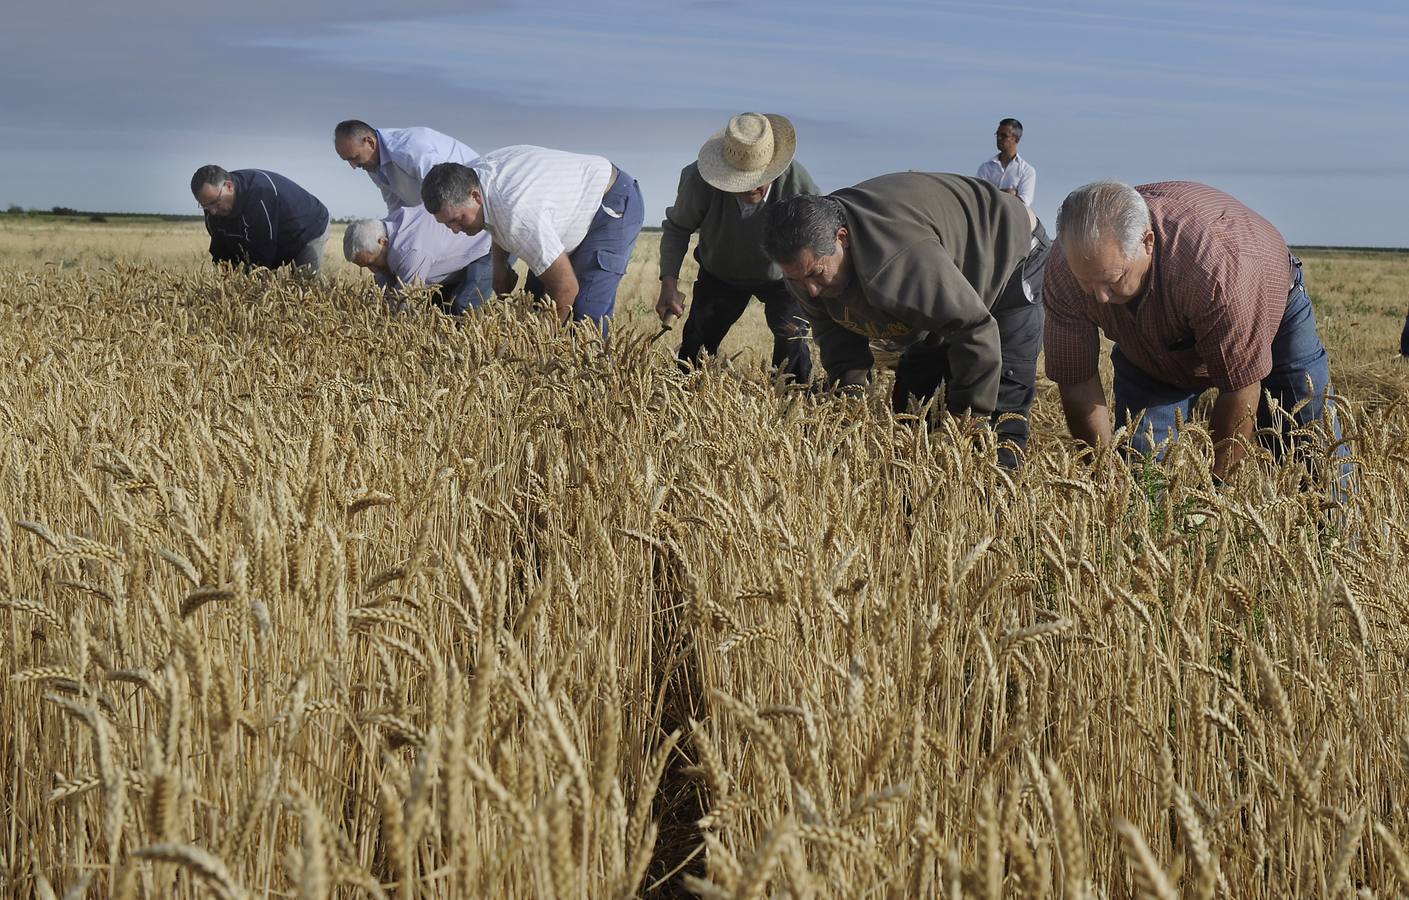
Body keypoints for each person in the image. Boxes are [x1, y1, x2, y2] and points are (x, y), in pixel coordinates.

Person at [1043, 180, 1344, 481]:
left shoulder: (1213, 264)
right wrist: (1104, 476)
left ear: (1147, 243)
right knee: (1143, 470)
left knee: (1309, 439)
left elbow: (1240, 387)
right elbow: (1076, 380)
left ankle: (1338, 524)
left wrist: (1212, 491)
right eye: (1087, 283)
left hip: (1270, 308)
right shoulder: (1066, 267)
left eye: (1113, 279)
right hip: (1150, 346)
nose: (1100, 297)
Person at [763, 174, 1051, 469]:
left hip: (1009, 253)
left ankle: (992, 500)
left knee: (995, 423)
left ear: (842, 238)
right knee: (913, 416)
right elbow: (837, 339)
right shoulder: (806, 268)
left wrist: (967, 425)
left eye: (815, 274)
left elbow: (974, 329)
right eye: (796, 279)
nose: (810, 290)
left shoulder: (898, 261)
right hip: (942, 272)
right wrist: (848, 404)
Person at [658, 113, 816, 381]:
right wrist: (669, 285)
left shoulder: (796, 182)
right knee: (692, 355)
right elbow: (678, 228)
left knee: (794, 345)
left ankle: (793, 411)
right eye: (741, 180)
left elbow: (816, 235)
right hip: (720, 274)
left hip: (783, 279)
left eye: (758, 179)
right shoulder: (698, 179)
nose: (751, 187)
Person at [420, 146, 645, 331]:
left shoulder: (517, 214)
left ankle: (597, 381)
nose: (455, 229)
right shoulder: (473, 178)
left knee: (586, 319)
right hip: (564, 210)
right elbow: (494, 217)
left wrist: (540, 346)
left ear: (475, 196)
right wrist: (499, 266)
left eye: (457, 220)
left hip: (610, 202)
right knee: (536, 303)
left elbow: (566, 287)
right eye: (447, 223)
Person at [343, 206, 493, 314]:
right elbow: (387, 291)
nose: (373, 270)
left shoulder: (409, 250)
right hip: (460, 253)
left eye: (371, 263)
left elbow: (406, 302)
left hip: (489, 246)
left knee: (462, 308)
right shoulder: (382, 230)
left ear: (383, 242)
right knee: (436, 309)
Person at [191, 165, 329, 275]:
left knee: (303, 285)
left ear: (229, 186)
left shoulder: (259, 194)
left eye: (215, 202)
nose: (212, 211)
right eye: (205, 206)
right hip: (272, 238)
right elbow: (221, 249)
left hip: (307, 228)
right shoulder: (212, 205)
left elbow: (262, 253)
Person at [334, 120, 480, 213]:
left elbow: (441, 191)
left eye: (354, 158)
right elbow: (396, 206)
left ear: (370, 142)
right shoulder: (372, 164)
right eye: (347, 160)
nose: (354, 166)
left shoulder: (408, 150)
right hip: (451, 212)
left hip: (474, 202)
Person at [976, 118, 1036, 207]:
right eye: (997, 134)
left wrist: (992, 192)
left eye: (1004, 135)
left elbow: (1024, 203)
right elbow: (978, 195)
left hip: (1013, 219)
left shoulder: (1027, 171)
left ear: (1016, 140)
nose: (999, 138)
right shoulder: (985, 168)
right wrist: (1008, 194)